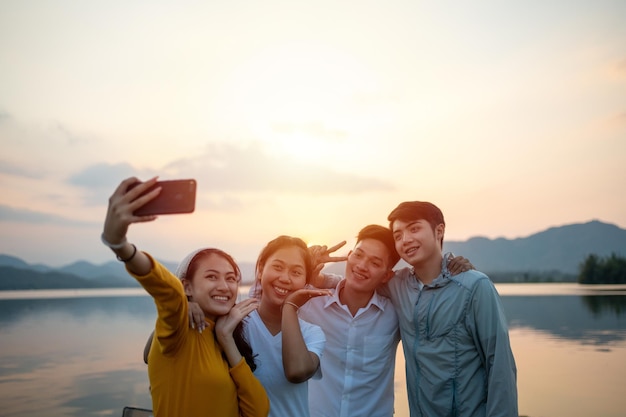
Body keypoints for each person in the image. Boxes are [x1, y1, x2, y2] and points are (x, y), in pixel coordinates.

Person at [101, 177, 269, 417]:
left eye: (231, 278)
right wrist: (120, 245)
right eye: (212, 276)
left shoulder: (220, 336)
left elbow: (258, 411)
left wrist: (226, 340)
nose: (224, 286)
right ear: (187, 287)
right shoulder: (179, 331)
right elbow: (168, 293)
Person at [149, 235, 330, 417]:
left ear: (306, 281)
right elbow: (152, 353)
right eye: (277, 267)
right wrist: (185, 305)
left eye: (296, 272)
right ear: (260, 270)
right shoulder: (232, 320)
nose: (285, 278)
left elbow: (297, 371)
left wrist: (290, 307)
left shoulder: (311, 333)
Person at [385, 201, 518, 416]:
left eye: (414, 228)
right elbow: (355, 282)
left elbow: (500, 365)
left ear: (439, 231)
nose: (405, 239)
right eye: (398, 235)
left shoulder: (474, 286)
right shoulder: (397, 286)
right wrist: (313, 265)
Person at [298, 224, 401, 417]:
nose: (362, 266)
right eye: (359, 255)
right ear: (349, 254)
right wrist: (305, 265)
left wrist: (454, 268)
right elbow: (260, 306)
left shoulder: (394, 314)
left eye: (375, 263)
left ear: (387, 275)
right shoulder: (310, 303)